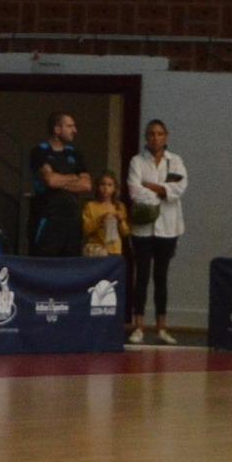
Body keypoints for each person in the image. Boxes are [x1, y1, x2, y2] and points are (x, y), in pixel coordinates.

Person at [126, 123, 186, 347]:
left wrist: (154, 188)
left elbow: (179, 189)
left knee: (161, 278)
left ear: (166, 136)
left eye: (160, 134)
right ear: (146, 136)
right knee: (141, 277)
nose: (155, 138)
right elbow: (135, 190)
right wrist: (162, 191)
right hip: (142, 229)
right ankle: (138, 326)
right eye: (151, 134)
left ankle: (162, 327)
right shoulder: (137, 161)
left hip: (169, 228)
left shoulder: (176, 161)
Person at [29, 112, 90, 257]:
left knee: (70, 269)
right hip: (48, 221)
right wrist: (74, 177)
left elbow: (86, 185)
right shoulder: (39, 151)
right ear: (57, 129)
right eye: (70, 126)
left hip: (72, 223)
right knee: (45, 269)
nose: (74, 130)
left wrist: (59, 180)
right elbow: (50, 181)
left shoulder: (75, 154)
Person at [82, 172, 128, 258]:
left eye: (110, 185)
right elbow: (86, 230)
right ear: (97, 187)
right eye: (102, 184)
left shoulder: (119, 206)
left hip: (115, 250)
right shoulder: (90, 206)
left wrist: (121, 221)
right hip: (97, 249)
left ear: (115, 188)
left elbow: (125, 233)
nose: (106, 188)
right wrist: (100, 221)